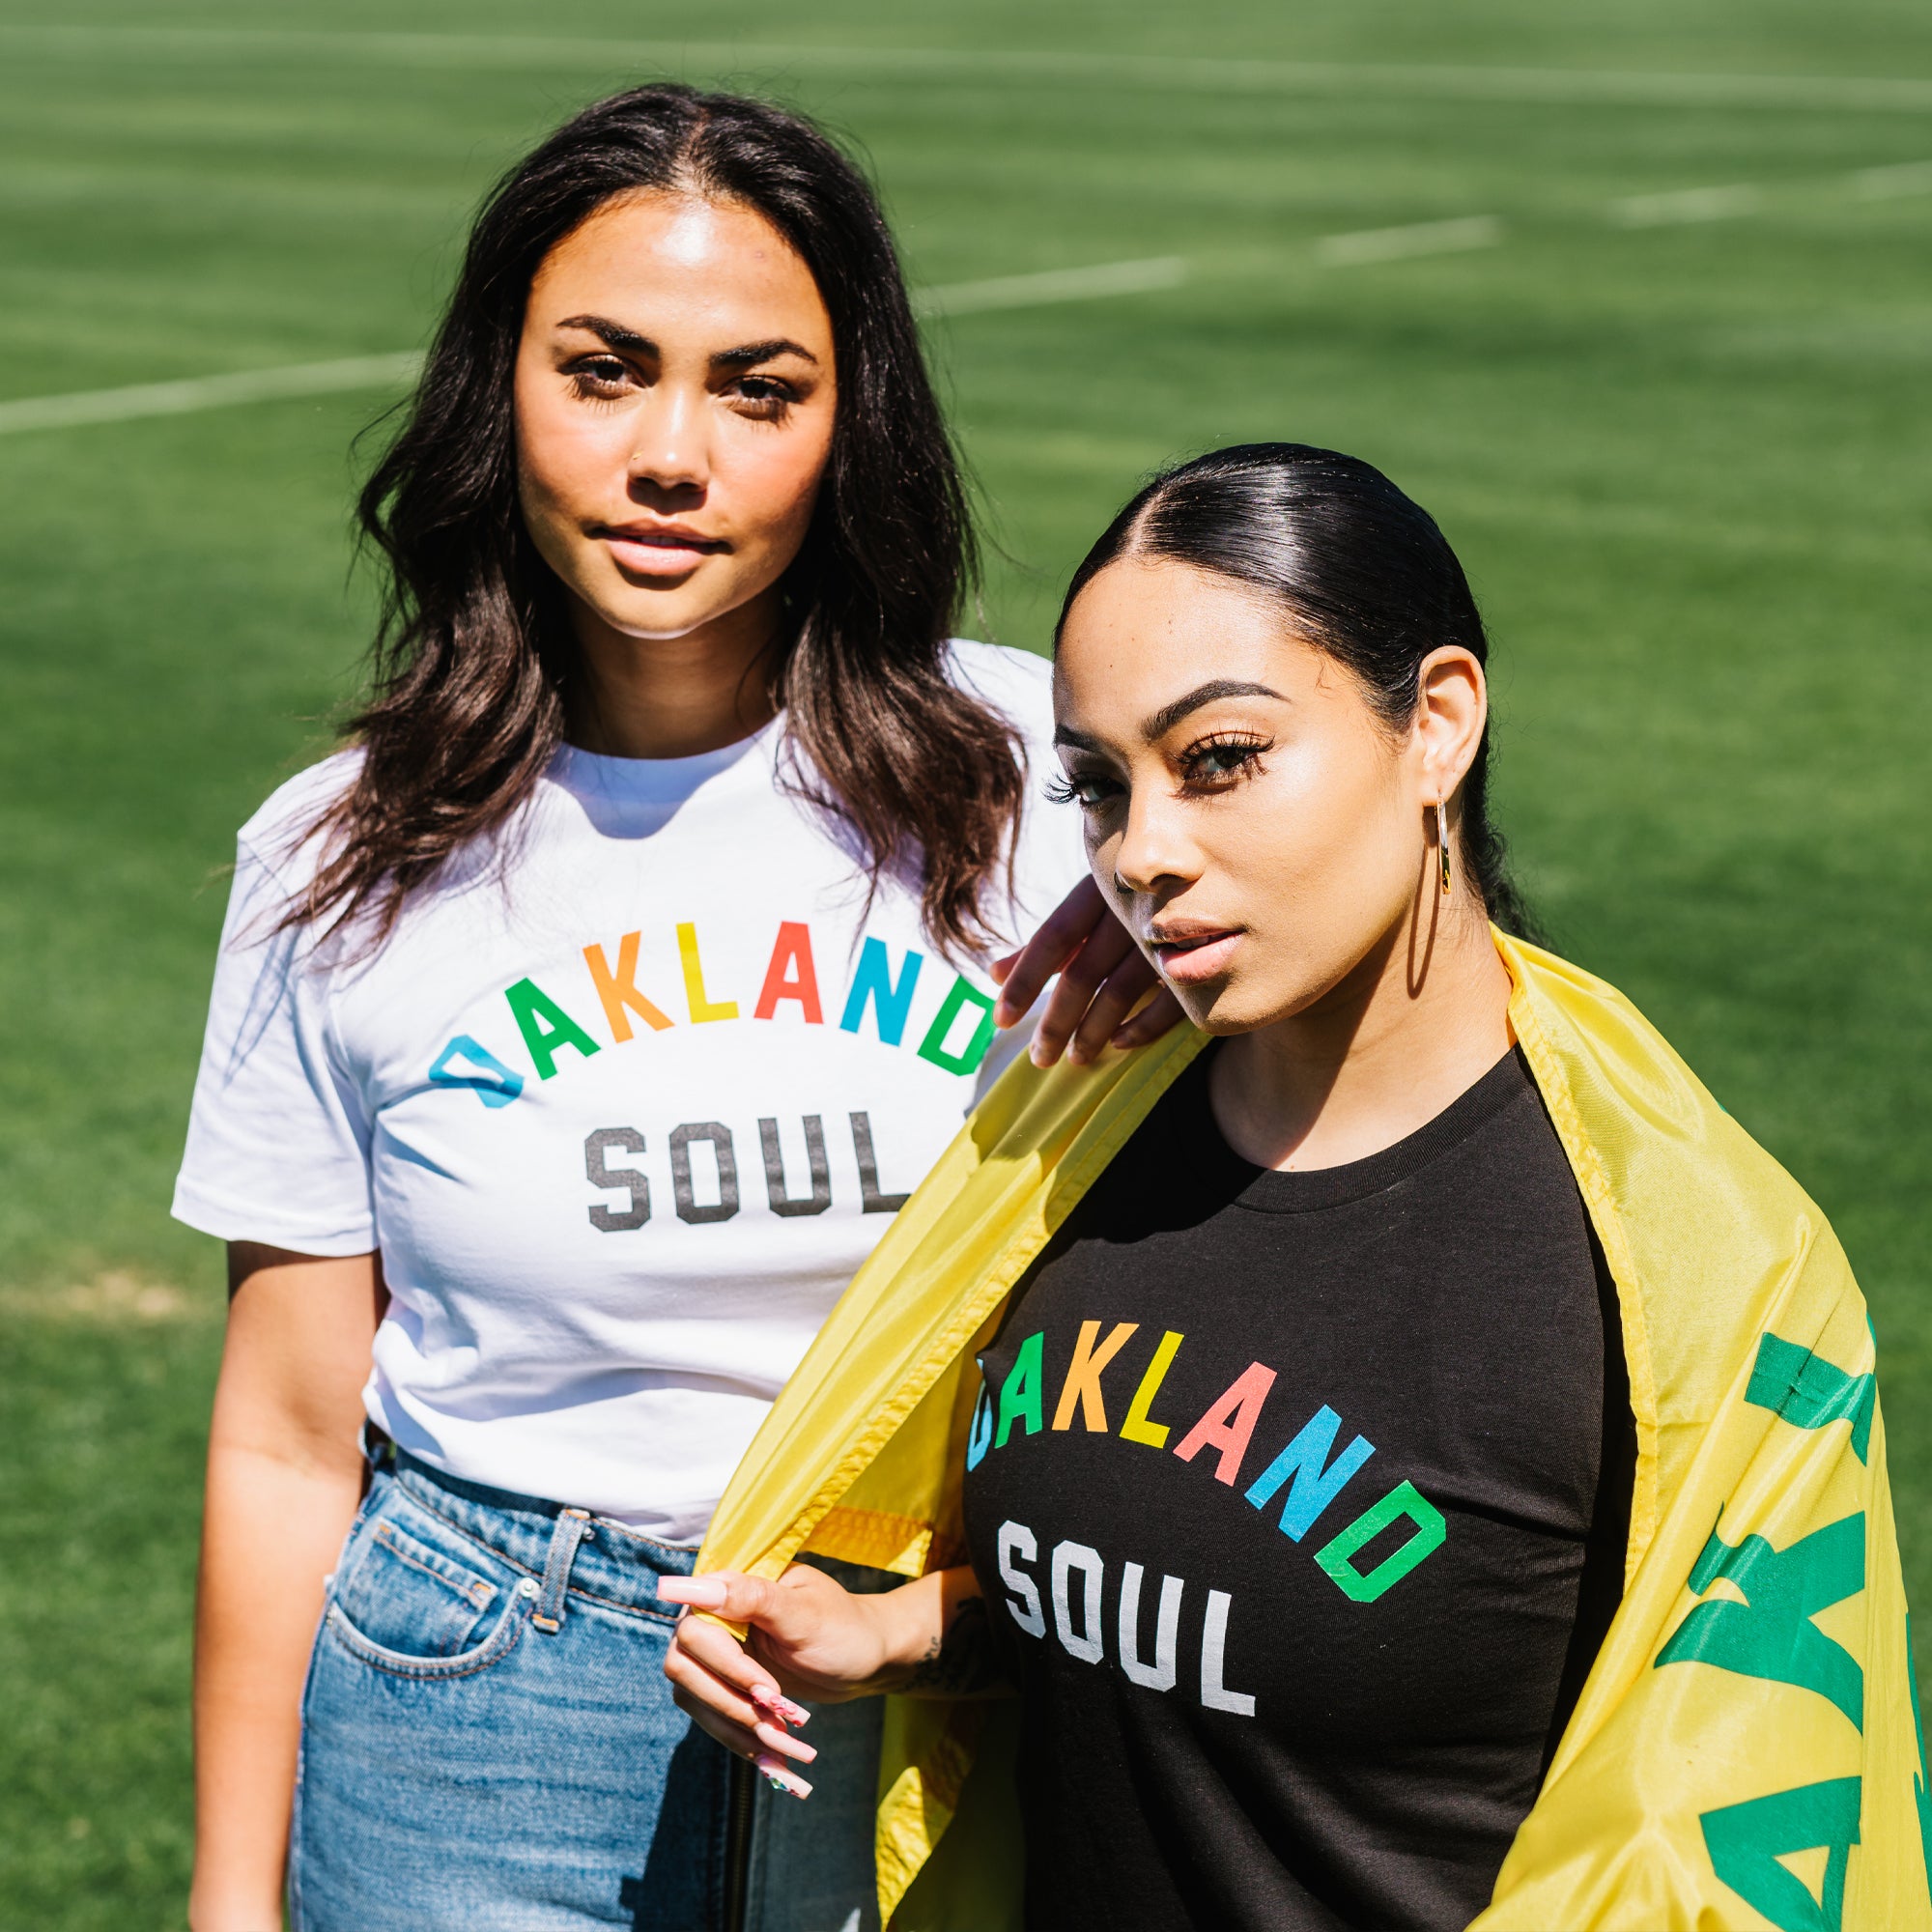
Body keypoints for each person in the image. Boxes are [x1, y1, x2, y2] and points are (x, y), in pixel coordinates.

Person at [663, 445, 1926, 1932]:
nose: (1144, 855)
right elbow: (1174, 1584)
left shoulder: (1663, 1275)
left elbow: (1730, 1826)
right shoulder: (1069, 1143)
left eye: (1221, 761)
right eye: (1100, 786)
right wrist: (897, 1631)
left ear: (1438, 722)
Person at [176, 84, 1175, 1932]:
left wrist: (1204, 923)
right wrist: (230, 1899)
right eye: (606, 368)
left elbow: (1414, 937)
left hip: (947, 1683)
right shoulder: (338, 853)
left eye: (759, 388)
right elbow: (288, 1434)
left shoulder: (1059, 777)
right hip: (480, 1708)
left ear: (848, 426)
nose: (670, 453)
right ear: (503, 393)